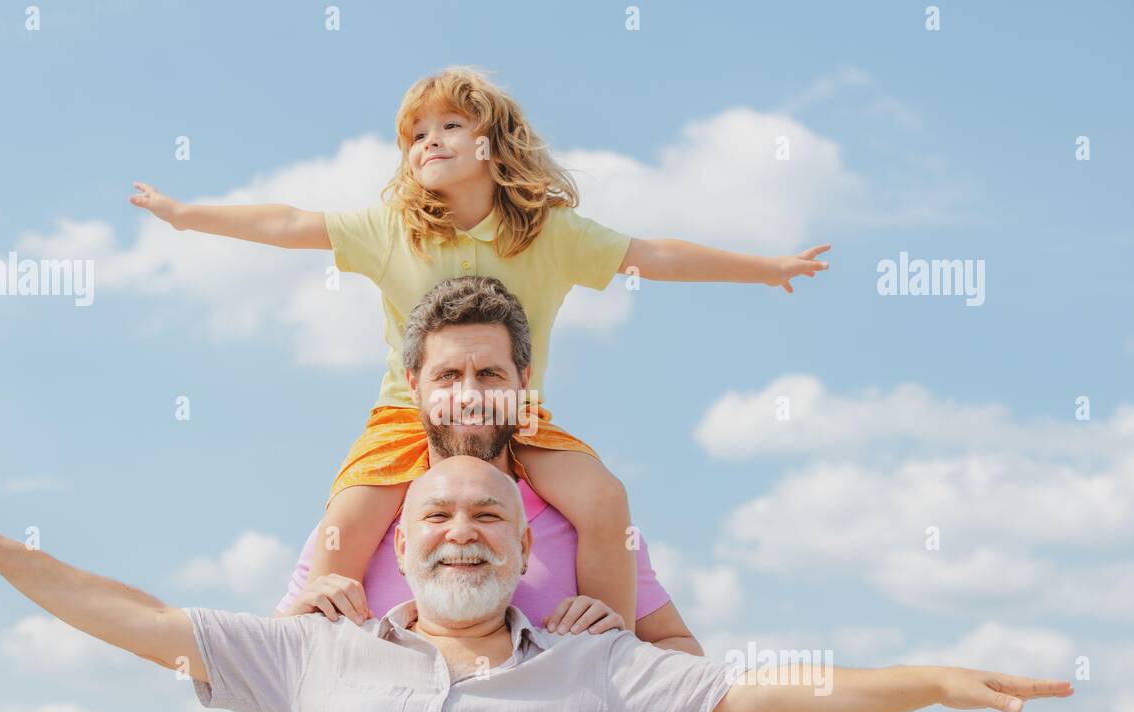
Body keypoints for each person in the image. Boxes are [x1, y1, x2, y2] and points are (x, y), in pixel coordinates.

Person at [0, 458, 1073, 712]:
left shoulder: (602, 668)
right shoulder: (310, 650)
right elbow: (142, 620)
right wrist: (9, 558)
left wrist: (924, 678)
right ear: (397, 545)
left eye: (487, 517)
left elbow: (771, 692)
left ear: (524, 547)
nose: (460, 532)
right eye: (436, 516)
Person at [129, 65, 831, 641]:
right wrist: (188, 215)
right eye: (416, 135)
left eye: (450, 126)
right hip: (409, 416)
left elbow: (652, 254)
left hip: (515, 414)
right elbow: (287, 222)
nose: (428, 142)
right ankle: (299, 705)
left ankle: (613, 653)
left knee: (605, 497)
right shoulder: (390, 228)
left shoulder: (551, 233)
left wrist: (765, 267)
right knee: (343, 523)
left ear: (494, 144)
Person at [266, 275, 703, 712]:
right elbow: (264, 671)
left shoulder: (586, 525)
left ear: (524, 380)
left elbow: (685, 662)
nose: (469, 396)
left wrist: (626, 680)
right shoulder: (356, 523)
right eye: (448, 375)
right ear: (413, 384)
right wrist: (293, 631)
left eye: (490, 374)